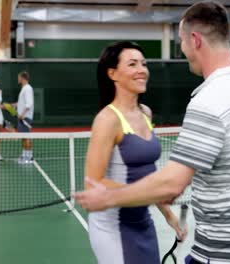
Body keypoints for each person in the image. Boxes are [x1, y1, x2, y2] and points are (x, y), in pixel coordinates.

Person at [75, 2, 230, 264]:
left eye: (181, 41)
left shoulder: (207, 101)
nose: (181, 48)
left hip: (227, 253)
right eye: (133, 64)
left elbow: (171, 183)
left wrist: (107, 197)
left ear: (195, 40)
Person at [85, 41, 186, 264]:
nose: (142, 70)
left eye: (143, 63)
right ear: (113, 74)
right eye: (132, 64)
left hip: (142, 221)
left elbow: (147, 174)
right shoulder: (107, 120)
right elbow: (93, 183)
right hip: (112, 227)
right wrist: (153, 192)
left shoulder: (145, 113)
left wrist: (168, 214)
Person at [15, 71, 34, 164]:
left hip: (25, 117)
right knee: (23, 136)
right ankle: (25, 154)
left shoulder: (27, 88)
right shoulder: (24, 88)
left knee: (26, 136)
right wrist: (14, 105)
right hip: (22, 117)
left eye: (19, 77)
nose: (18, 79)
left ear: (22, 78)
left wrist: (22, 114)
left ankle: (29, 156)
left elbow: (29, 104)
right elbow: (22, 103)